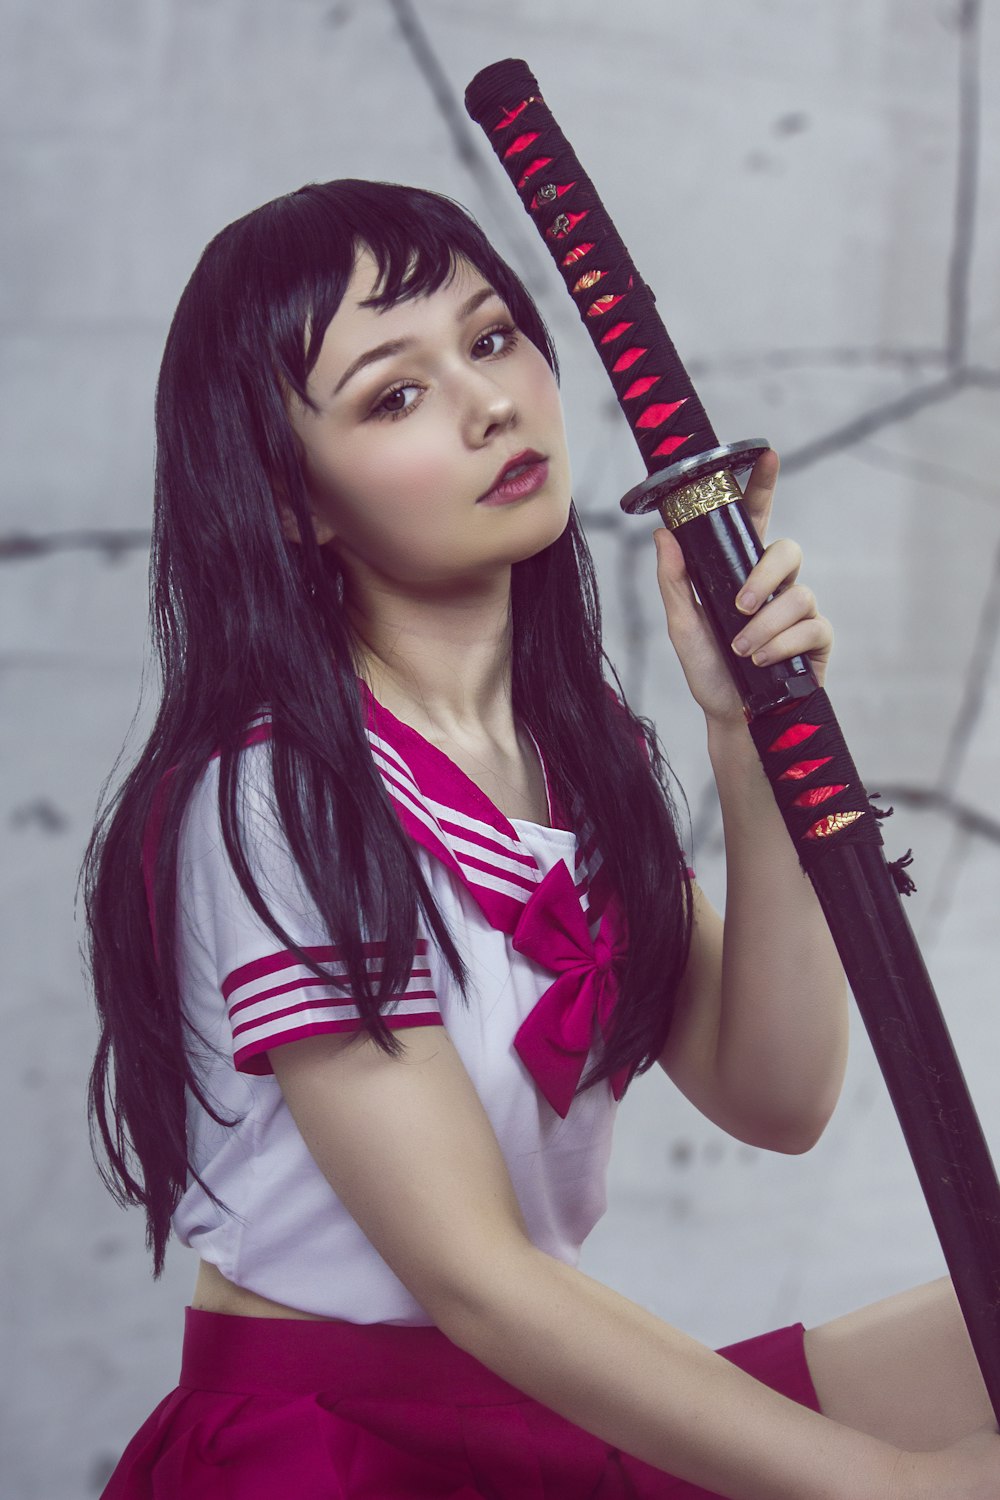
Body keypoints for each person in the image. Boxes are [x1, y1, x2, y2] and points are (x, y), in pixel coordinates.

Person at [83, 178, 999, 1499]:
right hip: (331, 1452)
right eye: (396, 394)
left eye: (494, 336)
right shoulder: (279, 797)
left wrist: (746, 742)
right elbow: (478, 1278)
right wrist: (890, 1486)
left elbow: (780, 1094)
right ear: (295, 503)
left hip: (526, 1403)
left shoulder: (583, 759)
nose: (488, 403)